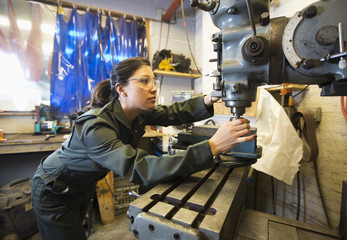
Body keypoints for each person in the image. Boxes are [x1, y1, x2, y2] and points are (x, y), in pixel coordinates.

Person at [31, 57, 256, 240]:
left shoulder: (137, 112)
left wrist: (209, 98)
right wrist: (213, 146)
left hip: (82, 186)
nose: (153, 88)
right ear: (121, 89)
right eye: (144, 81)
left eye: (154, 81)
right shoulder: (95, 126)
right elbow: (140, 168)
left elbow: (173, 112)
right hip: (54, 190)